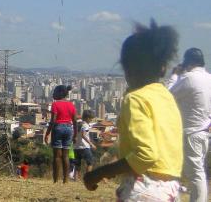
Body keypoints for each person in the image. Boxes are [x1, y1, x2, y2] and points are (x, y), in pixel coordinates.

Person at [84, 20, 183, 200]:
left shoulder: (136, 99)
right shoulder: (166, 97)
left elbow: (146, 154)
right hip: (170, 188)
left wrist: (99, 173)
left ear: (128, 70)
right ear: (162, 68)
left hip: (144, 187)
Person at [166, 48, 211, 202]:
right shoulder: (208, 78)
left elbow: (168, 94)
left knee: (195, 173)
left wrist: (174, 75)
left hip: (191, 132)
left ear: (189, 63)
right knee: (198, 172)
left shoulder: (189, 78)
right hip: (203, 131)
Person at [43, 84, 76, 184]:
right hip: (69, 129)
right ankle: (65, 180)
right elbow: (74, 121)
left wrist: (47, 133)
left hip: (58, 128)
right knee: (65, 156)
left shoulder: (55, 104)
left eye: (55, 92)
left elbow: (53, 121)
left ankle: (56, 180)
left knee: (57, 156)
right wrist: (74, 135)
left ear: (60, 93)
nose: (53, 93)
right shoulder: (71, 105)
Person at [73, 110, 97, 181]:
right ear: (87, 118)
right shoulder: (85, 125)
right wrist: (91, 144)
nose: (91, 120)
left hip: (76, 147)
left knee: (77, 164)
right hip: (84, 147)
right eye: (91, 118)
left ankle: (76, 178)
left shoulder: (78, 124)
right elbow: (83, 135)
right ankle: (88, 178)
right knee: (90, 162)